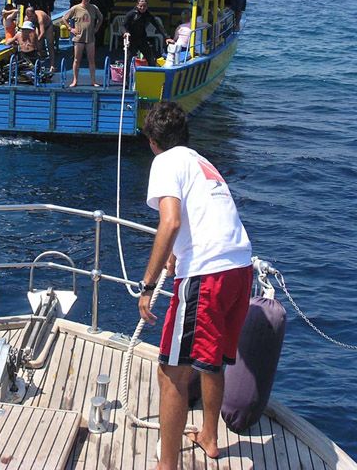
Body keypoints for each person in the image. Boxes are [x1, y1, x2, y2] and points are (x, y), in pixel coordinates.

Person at [138, 101, 253, 467]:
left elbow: (171, 221)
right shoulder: (202, 163)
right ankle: (209, 436)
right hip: (240, 268)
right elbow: (201, 218)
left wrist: (147, 285)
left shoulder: (165, 161)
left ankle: (166, 464)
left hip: (208, 274)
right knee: (211, 359)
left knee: (171, 372)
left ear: (153, 141)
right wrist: (176, 255)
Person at [62, 0, 103, 87]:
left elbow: (100, 18)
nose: (87, 0)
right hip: (79, 38)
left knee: (91, 60)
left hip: (90, 38)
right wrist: (70, 28)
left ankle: (93, 81)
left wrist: (97, 28)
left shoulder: (94, 8)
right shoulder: (75, 8)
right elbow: (64, 18)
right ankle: (75, 80)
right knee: (77, 60)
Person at [123, 0, 172, 67]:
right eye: (141, 6)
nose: (142, 8)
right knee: (128, 59)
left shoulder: (147, 15)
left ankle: (152, 72)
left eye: (144, 6)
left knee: (151, 58)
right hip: (131, 40)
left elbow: (158, 26)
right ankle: (126, 73)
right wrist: (125, 32)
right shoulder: (131, 14)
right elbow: (123, 25)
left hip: (142, 39)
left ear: (147, 6)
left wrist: (167, 37)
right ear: (137, 5)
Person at [24, 7, 56, 72]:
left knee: (50, 45)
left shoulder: (40, 18)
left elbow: (42, 32)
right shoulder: (26, 19)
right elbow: (25, 30)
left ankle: (52, 65)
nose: (30, 18)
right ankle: (39, 63)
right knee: (38, 46)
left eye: (31, 16)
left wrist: (37, 40)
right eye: (28, 16)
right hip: (37, 27)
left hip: (48, 27)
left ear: (34, 14)